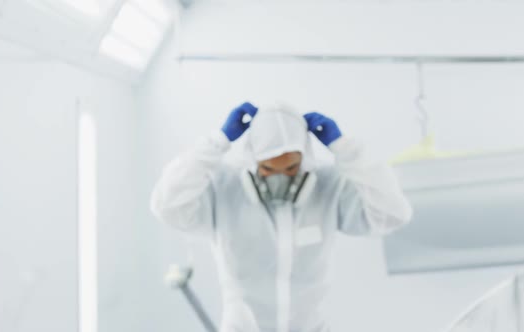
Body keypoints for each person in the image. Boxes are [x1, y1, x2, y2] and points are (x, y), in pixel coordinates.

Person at [150, 102, 413, 332]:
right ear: (252, 160)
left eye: (291, 167)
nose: (281, 177)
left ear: (305, 158)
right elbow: (167, 205)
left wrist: (348, 151)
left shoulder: (328, 187)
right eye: (267, 167)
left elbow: (393, 214)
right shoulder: (224, 189)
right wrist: (216, 143)